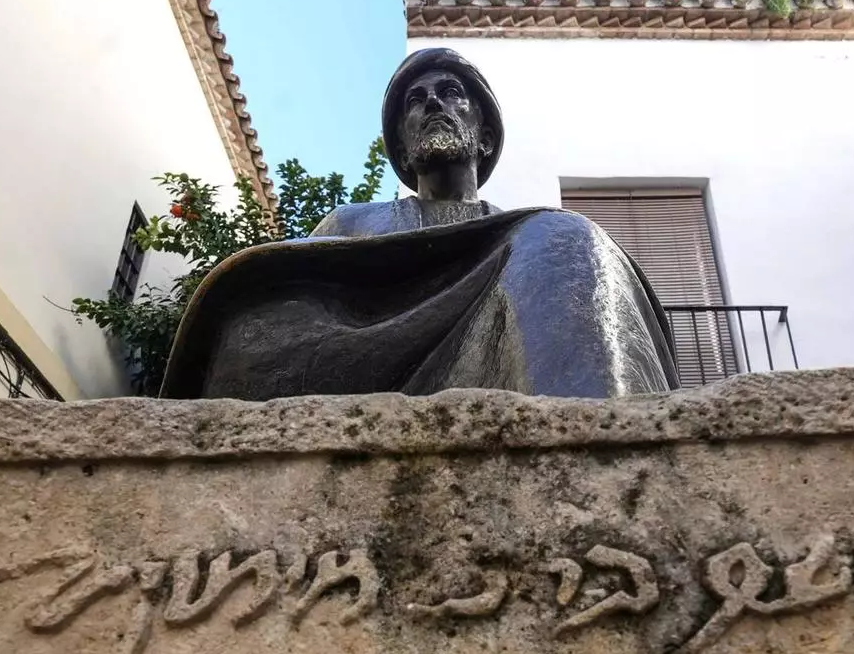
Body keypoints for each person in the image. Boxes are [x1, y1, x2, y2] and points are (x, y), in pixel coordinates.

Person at [159, 48, 678, 400]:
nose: (432, 101)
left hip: (492, 364)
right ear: (403, 150)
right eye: (416, 99)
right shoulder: (351, 223)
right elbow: (292, 318)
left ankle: (592, 439)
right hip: (370, 364)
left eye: (451, 92)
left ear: (485, 138)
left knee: (571, 239)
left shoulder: (533, 246)